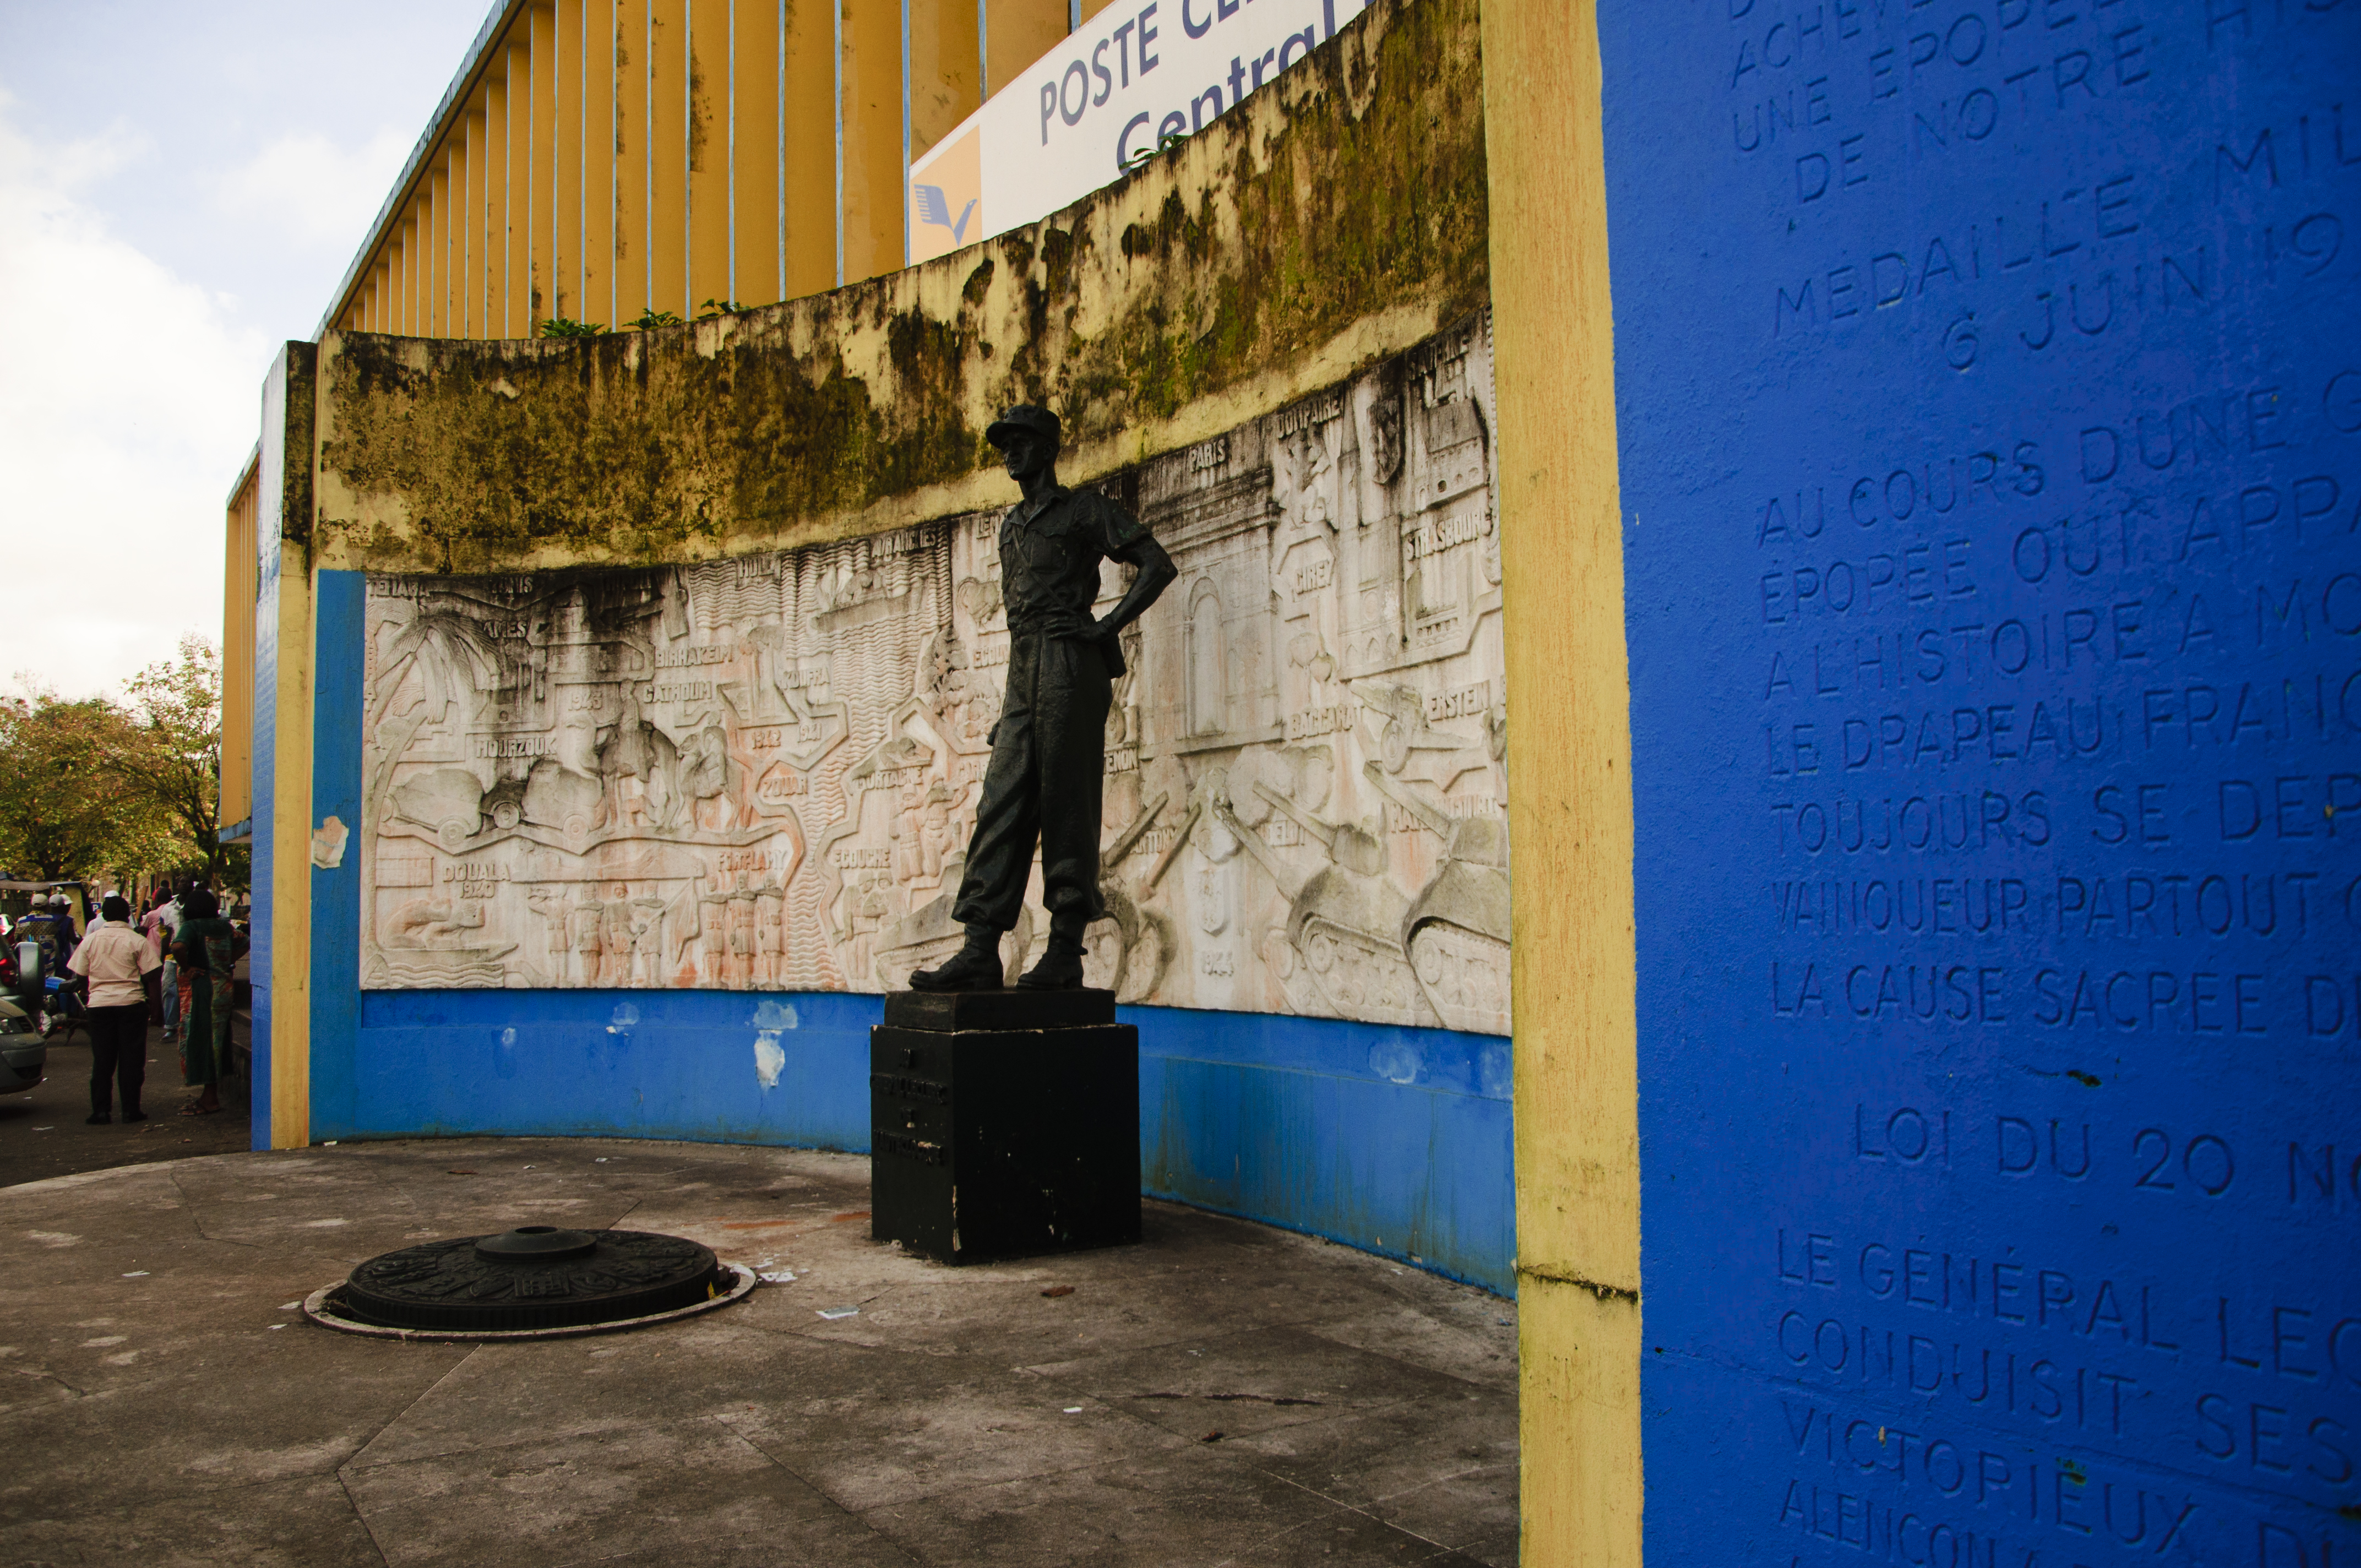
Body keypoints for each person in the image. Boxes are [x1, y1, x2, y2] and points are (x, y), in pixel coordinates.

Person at [911, 405, 1176, 992]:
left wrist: (1105, 628)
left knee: (1066, 805)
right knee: (999, 805)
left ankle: (1064, 951)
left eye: (1022, 441)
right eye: (1003, 443)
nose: (1010, 452)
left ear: (1048, 447)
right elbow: (1019, 620)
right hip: (1023, 670)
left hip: (1069, 665)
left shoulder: (1082, 509)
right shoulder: (1011, 527)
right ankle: (980, 946)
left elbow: (1156, 565)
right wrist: (1012, 706)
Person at [68, 895, 160, 1124]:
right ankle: (130, 1110)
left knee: (103, 1060)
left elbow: (80, 974)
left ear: (104, 915)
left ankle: (101, 1111)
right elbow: (151, 974)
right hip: (131, 1003)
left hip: (99, 1005)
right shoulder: (137, 940)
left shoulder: (90, 940)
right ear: (127, 916)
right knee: (131, 1060)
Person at [170, 888, 246, 1115]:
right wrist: (227, 963)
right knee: (217, 1040)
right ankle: (209, 1094)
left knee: (201, 1039)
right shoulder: (225, 926)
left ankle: (210, 1097)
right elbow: (245, 942)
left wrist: (186, 967)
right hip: (224, 988)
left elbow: (178, 947)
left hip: (202, 990)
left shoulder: (192, 927)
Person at [143, 890, 182, 1042]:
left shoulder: (193, 904)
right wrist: (163, 955)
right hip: (171, 956)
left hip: (189, 954)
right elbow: (164, 932)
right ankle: (171, 1026)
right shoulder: (167, 910)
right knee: (169, 989)